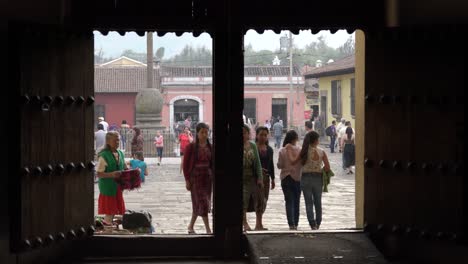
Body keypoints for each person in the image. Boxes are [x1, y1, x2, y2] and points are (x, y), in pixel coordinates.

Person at [288, 131, 330, 230]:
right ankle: (318, 222)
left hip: (305, 178)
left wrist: (289, 150)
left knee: (308, 202)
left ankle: (312, 224)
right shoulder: (322, 152)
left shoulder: (303, 151)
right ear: (316, 140)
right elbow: (327, 168)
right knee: (318, 202)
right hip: (318, 178)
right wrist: (319, 169)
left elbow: (293, 162)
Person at [183, 123, 213, 234]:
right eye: (202, 132)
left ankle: (191, 226)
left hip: (207, 179)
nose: (205, 135)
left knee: (198, 203)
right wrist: (187, 180)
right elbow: (186, 165)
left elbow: (212, 164)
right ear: (197, 133)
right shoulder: (191, 147)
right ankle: (208, 229)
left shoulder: (210, 147)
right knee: (203, 203)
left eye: (206, 132)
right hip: (196, 179)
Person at [96, 131, 127, 226]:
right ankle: (107, 224)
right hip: (108, 187)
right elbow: (99, 174)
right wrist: (112, 174)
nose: (117, 142)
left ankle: (109, 223)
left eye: (118, 140)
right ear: (108, 142)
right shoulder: (104, 155)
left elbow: (124, 167)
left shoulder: (121, 153)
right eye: (115, 140)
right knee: (110, 208)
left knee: (115, 206)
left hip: (117, 186)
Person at [251, 126, 275, 231]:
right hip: (256, 178)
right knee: (259, 200)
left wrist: (273, 178)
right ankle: (257, 224)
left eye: (265, 135)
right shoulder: (253, 148)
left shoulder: (269, 149)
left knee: (265, 200)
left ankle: (260, 223)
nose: (263, 137)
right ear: (257, 135)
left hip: (266, 177)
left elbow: (271, 164)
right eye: (261, 134)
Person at [277, 130, 302, 230]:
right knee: (297, 201)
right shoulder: (300, 150)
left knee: (289, 201)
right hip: (297, 178)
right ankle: (296, 223)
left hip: (286, 178)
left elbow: (280, 165)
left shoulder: (282, 150)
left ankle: (291, 224)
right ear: (295, 138)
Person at [242, 124, 264, 232]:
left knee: (257, 201)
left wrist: (260, 177)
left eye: (244, 133)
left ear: (248, 134)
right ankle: (244, 223)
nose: (243, 135)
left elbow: (258, 163)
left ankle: (258, 223)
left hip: (251, 177)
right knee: (243, 201)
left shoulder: (252, 145)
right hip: (240, 178)